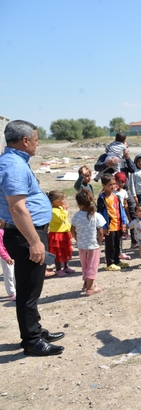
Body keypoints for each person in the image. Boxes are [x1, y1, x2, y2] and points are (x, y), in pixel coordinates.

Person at [0, 120, 64, 356]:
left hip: (28, 233)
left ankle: (35, 329)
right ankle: (32, 341)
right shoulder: (13, 166)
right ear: (25, 141)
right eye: (36, 140)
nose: (38, 145)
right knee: (28, 290)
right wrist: (35, 242)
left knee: (33, 287)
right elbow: (17, 208)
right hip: (26, 235)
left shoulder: (16, 162)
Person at [71, 189, 106, 295]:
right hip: (93, 246)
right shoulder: (96, 216)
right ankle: (90, 288)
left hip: (81, 246)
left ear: (79, 204)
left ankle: (86, 284)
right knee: (92, 266)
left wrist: (77, 239)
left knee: (85, 265)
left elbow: (72, 230)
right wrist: (99, 243)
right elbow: (100, 232)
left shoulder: (77, 216)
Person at [97, 173, 128, 271]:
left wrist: (123, 222)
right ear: (103, 185)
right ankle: (110, 263)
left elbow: (121, 210)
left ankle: (117, 261)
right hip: (109, 226)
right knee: (110, 246)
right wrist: (104, 226)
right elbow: (100, 213)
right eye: (109, 184)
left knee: (117, 244)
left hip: (118, 224)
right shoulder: (102, 198)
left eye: (113, 184)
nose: (112, 186)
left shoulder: (116, 197)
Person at [47, 190, 75, 276]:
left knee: (66, 251)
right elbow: (61, 218)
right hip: (56, 234)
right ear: (56, 201)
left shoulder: (60, 208)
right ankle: (58, 269)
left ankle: (66, 266)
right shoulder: (53, 211)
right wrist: (65, 210)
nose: (64, 201)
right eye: (63, 199)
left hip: (64, 233)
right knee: (58, 252)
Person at [113, 172, 135, 258]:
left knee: (121, 233)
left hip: (121, 214)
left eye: (122, 182)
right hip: (114, 213)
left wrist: (128, 217)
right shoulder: (112, 192)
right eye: (118, 182)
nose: (120, 184)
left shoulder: (124, 192)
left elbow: (125, 204)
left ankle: (120, 252)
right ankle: (112, 253)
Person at [0, 219, 16, 301]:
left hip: (13, 255)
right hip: (7, 257)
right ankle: (11, 293)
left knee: (15, 274)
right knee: (9, 274)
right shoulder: (0, 232)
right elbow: (0, 247)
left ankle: (17, 290)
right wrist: (6, 257)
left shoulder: (7, 230)